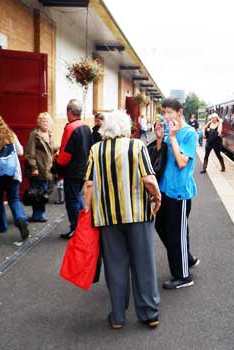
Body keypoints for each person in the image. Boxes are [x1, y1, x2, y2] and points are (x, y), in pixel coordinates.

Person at [83, 110, 162, 329]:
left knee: (115, 265)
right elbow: (148, 179)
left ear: (105, 129)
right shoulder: (136, 146)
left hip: (107, 218)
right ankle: (149, 314)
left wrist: (87, 212)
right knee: (143, 263)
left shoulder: (96, 150)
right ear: (125, 128)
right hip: (137, 215)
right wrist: (157, 198)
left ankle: (118, 316)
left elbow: (89, 185)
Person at [155, 97, 199, 290]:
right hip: (165, 188)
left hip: (179, 192)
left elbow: (182, 163)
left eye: (169, 112)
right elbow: (161, 159)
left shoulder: (189, 133)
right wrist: (159, 139)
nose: (166, 116)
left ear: (179, 112)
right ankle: (185, 257)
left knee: (176, 233)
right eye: (164, 112)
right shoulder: (168, 132)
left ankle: (183, 275)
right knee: (161, 227)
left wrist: (172, 137)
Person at [0, 113, 29, 240]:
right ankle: (21, 219)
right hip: (13, 173)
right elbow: (21, 152)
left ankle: (1, 225)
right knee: (13, 199)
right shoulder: (10, 134)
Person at [55, 99, 93, 239]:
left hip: (72, 170)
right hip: (84, 168)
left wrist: (57, 166)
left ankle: (75, 228)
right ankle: (84, 225)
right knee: (78, 196)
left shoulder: (70, 128)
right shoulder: (86, 127)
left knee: (72, 200)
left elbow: (65, 152)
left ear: (69, 112)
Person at [25, 112, 55, 222]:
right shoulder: (34, 134)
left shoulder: (50, 134)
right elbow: (29, 152)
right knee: (38, 192)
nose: (45, 123)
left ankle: (38, 213)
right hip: (38, 168)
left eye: (47, 121)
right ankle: (38, 215)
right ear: (39, 122)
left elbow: (50, 150)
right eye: (43, 121)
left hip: (47, 169)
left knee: (43, 192)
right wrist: (34, 168)